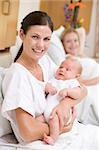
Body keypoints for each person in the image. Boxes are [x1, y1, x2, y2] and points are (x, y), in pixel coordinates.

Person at [1, 11, 87, 144]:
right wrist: (61, 128)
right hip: (38, 141)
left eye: (46, 39)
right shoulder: (18, 75)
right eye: (35, 37)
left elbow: (82, 89)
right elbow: (28, 132)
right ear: (22, 34)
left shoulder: (44, 61)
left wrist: (65, 105)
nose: (41, 45)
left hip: (58, 131)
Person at [43, 58, 82, 145]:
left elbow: (78, 93)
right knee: (38, 120)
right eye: (61, 67)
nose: (62, 70)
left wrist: (68, 91)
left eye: (67, 69)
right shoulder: (53, 79)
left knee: (54, 121)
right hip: (45, 113)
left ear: (76, 76)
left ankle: (53, 138)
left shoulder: (72, 82)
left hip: (59, 114)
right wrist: (47, 87)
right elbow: (44, 86)